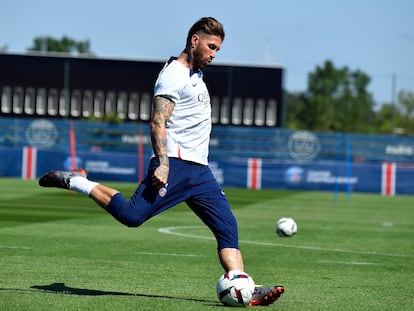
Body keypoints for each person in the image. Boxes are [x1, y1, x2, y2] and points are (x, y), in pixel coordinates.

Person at [39, 17, 284, 306]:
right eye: (211, 47)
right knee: (132, 216)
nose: (213, 55)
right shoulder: (173, 75)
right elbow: (158, 121)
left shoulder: (195, 75)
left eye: (217, 49)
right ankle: (78, 181)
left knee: (227, 226)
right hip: (176, 165)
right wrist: (164, 164)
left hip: (200, 172)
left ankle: (242, 285)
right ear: (194, 40)